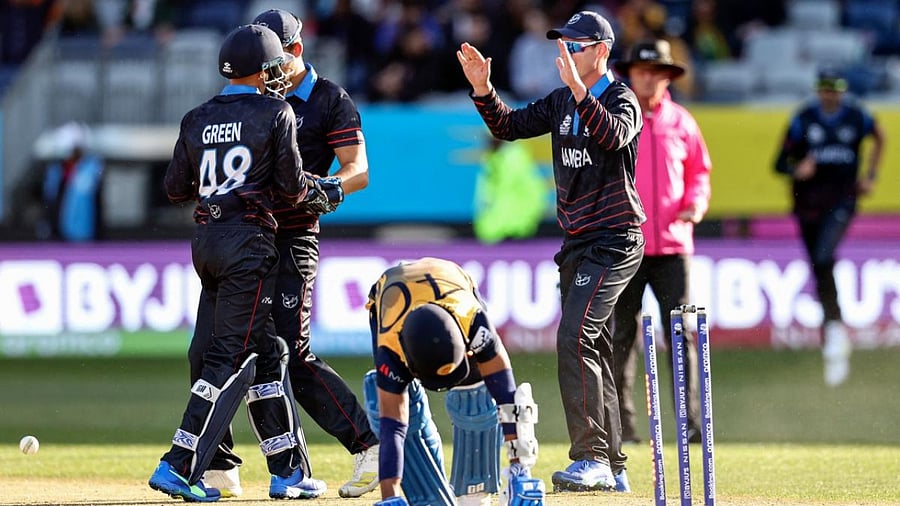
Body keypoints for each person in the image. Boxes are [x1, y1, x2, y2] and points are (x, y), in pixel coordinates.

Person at [195, 8, 380, 500]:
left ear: (295, 51)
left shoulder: (328, 99)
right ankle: (218, 464)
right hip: (241, 240)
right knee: (207, 350)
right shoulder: (252, 100)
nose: (267, 67)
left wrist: (328, 188)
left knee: (289, 353)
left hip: (292, 238)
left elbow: (358, 168)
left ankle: (370, 446)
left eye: (274, 57)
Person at [458, 10, 645, 494]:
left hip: (616, 238)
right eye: (561, 45)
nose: (563, 53)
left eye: (574, 46)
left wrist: (582, 94)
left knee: (573, 338)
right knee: (594, 347)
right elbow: (508, 126)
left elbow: (612, 136)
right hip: (578, 243)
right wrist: (483, 88)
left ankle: (591, 458)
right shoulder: (562, 99)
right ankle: (614, 465)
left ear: (601, 51)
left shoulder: (623, 98)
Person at [148, 24, 336, 501]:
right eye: (272, 68)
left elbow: (174, 189)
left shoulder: (196, 117)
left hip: (206, 242)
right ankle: (180, 464)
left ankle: (287, 470)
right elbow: (293, 189)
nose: (277, 76)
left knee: (267, 351)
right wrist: (324, 193)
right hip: (248, 245)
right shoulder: (277, 112)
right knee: (230, 357)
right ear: (263, 71)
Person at [365, 257, 545, 506]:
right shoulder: (391, 348)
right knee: (393, 409)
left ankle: (475, 488)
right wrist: (391, 497)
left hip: (452, 284)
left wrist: (520, 469)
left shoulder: (475, 322)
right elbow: (392, 428)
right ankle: (426, 496)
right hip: (392, 295)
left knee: (476, 392)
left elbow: (506, 397)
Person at [610, 39, 712, 445]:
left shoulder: (682, 122)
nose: (649, 79)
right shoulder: (615, 120)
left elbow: (699, 173)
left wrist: (695, 204)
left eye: (656, 72)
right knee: (620, 335)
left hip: (673, 248)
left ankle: (688, 425)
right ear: (630, 74)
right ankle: (622, 427)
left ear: (667, 77)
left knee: (681, 333)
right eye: (642, 71)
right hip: (626, 244)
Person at [774, 68, 884, 387]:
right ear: (818, 91)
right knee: (820, 266)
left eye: (835, 89)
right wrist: (798, 168)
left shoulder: (856, 117)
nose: (830, 95)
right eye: (824, 89)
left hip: (842, 202)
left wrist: (871, 175)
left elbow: (880, 136)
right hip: (807, 206)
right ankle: (833, 330)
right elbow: (780, 163)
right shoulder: (803, 119)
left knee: (824, 258)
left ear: (843, 91)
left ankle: (834, 332)